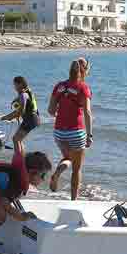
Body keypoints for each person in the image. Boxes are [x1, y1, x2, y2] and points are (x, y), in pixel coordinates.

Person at [48, 58, 93, 200]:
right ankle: (74, 200)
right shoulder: (83, 88)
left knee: (68, 158)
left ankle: (57, 173)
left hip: (59, 132)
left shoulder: (59, 86)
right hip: (76, 132)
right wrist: (89, 135)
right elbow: (87, 113)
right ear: (84, 70)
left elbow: (50, 110)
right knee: (77, 169)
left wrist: (63, 113)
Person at [0, 76, 40, 153]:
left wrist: (7, 117)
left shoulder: (23, 95)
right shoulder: (28, 91)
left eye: (15, 85)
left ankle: (18, 158)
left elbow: (21, 111)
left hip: (30, 119)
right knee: (18, 139)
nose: (14, 87)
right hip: (33, 118)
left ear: (20, 84)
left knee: (16, 139)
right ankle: (22, 157)